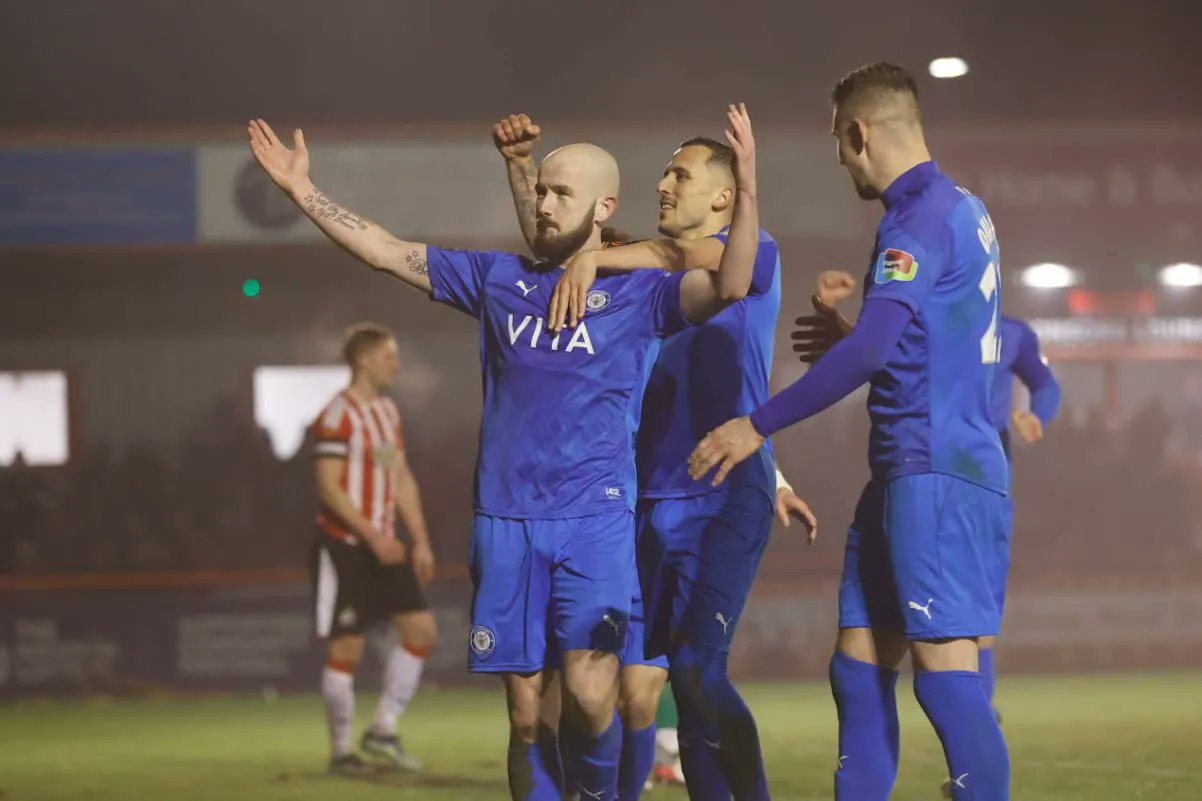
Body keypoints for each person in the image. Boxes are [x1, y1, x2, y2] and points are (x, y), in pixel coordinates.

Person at [248, 103, 761, 801]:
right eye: (540, 191)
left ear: (604, 205)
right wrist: (302, 192)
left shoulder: (641, 291)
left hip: (596, 520)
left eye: (562, 194)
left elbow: (733, 279)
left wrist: (748, 185)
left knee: (589, 689)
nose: (546, 205)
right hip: (505, 521)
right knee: (526, 713)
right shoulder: (496, 280)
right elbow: (387, 249)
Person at [687, 62, 1013, 800]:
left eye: (839, 139)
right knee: (858, 661)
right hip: (913, 468)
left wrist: (755, 422)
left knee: (944, 673)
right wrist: (857, 335)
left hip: (934, 468)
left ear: (861, 132)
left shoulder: (916, 217)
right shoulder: (965, 208)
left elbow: (874, 351)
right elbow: (930, 337)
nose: (839, 157)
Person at [494, 113, 816, 801]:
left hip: (722, 494)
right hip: (636, 504)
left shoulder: (754, 251)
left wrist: (600, 254)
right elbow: (550, 248)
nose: (663, 184)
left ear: (724, 197)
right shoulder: (637, 280)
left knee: (695, 674)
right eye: (664, 173)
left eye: (681, 174)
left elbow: (700, 265)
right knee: (630, 691)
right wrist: (526, 177)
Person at [309, 323, 438, 774]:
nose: (396, 364)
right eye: (389, 355)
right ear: (363, 360)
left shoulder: (385, 413)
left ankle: (383, 729)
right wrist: (374, 537)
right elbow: (329, 488)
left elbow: (399, 477)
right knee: (347, 650)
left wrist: (418, 539)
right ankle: (342, 752)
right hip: (346, 546)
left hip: (385, 545)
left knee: (420, 631)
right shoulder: (336, 415)